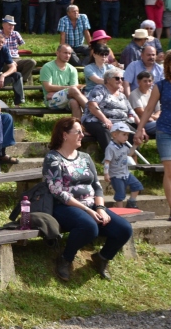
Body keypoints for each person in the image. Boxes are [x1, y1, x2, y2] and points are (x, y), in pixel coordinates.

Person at [44, 117, 133, 281]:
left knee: (124, 229)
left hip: (91, 204)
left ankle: (102, 258)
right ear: (64, 135)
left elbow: (97, 186)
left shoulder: (85, 157)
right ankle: (65, 258)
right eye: (78, 132)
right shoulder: (53, 158)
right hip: (65, 206)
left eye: (82, 132)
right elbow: (57, 191)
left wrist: (100, 208)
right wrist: (87, 210)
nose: (82, 135)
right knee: (89, 226)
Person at [135, 50, 171, 220]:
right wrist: (140, 128)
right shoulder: (161, 85)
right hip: (166, 130)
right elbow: (149, 109)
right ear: (167, 66)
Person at [82, 67, 139, 153]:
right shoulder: (100, 89)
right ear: (108, 80)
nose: (120, 80)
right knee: (105, 131)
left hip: (119, 122)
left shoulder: (122, 95)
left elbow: (131, 111)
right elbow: (92, 105)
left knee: (133, 133)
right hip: (97, 121)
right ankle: (111, 157)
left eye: (122, 78)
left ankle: (130, 159)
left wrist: (141, 128)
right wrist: (105, 120)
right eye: (117, 78)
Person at [39, 44, 88, 118]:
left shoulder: (72, 69)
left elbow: (74, 90)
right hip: (51, 100)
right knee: (73, 89)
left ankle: (78, 127)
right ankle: (91, 111)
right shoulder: (47, 67)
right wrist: (69, 89)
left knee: (74, 102)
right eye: (65, 53)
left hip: (68, 98)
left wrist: (67, 90)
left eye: (69, 53)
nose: (68, 56)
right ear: (57, 53)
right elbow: (48, 88)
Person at [103, 123, 144, 209]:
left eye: (127, 135)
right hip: (116, 176)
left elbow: (129, 154)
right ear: (114, 134)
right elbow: (107, 162)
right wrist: (106, 174)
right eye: (124, 134)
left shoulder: (124, 146)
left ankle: (131, 202)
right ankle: (120, 210)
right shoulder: (110, 148)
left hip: (126, 174)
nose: (126, 137)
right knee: (120, 193)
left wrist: (135, 145)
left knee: (137, 186)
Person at [0, 16, 36, 83]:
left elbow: (22, 44)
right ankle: (19, 81)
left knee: (32, 62)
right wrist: (9, 61)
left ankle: (22, 80)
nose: (11, 27)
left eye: (13, 25)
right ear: (3, 25)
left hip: (17, 59)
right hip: (4, 61)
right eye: (9, 25)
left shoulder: (16, 34)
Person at [129, 70, 159, 139]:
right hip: (143, 123)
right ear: (139, 82)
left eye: (150, 81)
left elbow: (159, 110)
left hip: (153, 120)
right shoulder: (134, 94)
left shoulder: (153, 92)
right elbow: (141, 112)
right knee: (165, 125)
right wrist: (154, 118)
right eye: (145, 81)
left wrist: (154, 117)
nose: (148, 83)